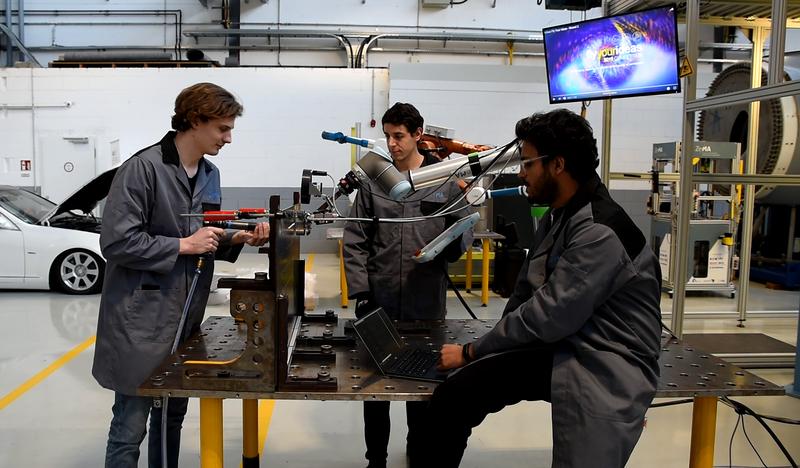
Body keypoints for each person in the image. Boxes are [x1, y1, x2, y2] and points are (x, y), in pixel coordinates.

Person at [415, 109, 663, 468]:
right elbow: (527, 291)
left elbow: (549, 315)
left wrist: (472, 351)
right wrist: (492, 349)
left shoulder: (598, 231)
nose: (521, 173)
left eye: (528, 163)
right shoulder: (560, 213)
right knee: (453, 399)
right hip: (567, 343)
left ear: (557, 165)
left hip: (605, 358)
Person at [92, 82, 269, 468]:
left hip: (187, 318)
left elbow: (203, 234)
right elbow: (117, 243)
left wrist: (235, 237)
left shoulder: (210, 173)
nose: (228, 138)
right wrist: (181, 246)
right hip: (140, 321)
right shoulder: (142, 169)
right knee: (130, 427)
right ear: (194, 120)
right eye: (223, 128)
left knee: (171, 421)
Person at [343, 102, 473, 468]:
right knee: (375, 387)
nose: (392, 143)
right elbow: (355, 239)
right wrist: (362, 291)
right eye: (387, 135)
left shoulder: (444, 181)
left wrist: (446, 249)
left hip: (426, 299)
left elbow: (464, 229)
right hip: (379, 298)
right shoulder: (373, 183)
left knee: (422, 388)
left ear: (418, 135)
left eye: (399, 136)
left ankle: (419, 451)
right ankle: (376, 459)